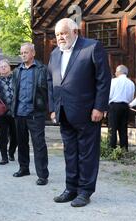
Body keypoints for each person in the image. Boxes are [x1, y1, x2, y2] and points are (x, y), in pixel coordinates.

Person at [48, 18, 111, 207]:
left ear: (75, 31)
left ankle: (85, 191)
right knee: (70, 152)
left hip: (88, 112)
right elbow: (50, 82)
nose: (60, 37)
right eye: (58, 34)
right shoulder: (54, 54)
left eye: (64, 33)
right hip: (64, 112)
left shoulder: (92, 47)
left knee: (87, 153)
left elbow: (103, 78)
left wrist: (99, 107)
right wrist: (52, 108)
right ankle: (70, 188)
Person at [10, 43, 49, 185]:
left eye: (26, 52)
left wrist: (48, 109)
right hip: (19, 112)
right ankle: (24, 168)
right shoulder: (16, 71)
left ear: (33, 53)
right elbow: (14, 92)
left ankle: (43, 175)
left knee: (39, 144)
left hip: (35, 112)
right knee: (21, 142)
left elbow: (48, 90)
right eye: (21, 53)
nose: (23, 55)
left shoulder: (42, 69)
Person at [0, 59, 17, 165]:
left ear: (9, 67)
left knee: (15, 135)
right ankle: (4, 157)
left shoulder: (16, 78)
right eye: (1, 67)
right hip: (1, 112)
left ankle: (11, 152)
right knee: (2, 135)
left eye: (5, 66)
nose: (3, 68)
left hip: (15, 111)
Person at [108, 65, 135, 151]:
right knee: (123, 128)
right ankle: (124, 149)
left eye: (116, 71)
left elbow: (109, 95)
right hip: (125, 106)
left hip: (114, 106)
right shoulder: (131, 83)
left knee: (112, 128)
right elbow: (131, 98)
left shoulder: (113, 81)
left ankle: (112, 150)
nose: (115, 73)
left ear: (119, 72)